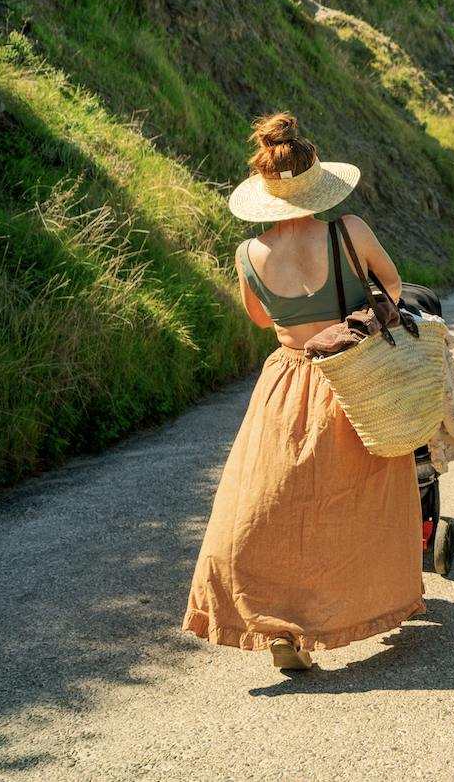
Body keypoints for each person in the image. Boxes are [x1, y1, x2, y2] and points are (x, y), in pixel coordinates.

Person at [183, 113, 425, 670]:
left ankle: (276, 626)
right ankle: (357, 608)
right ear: (317, 178)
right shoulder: (350, 231)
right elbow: (391, 284)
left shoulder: (248, 254)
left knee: (274, 503)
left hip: (288, 379)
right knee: (358, 501)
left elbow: (262, 319)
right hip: (353, 374)